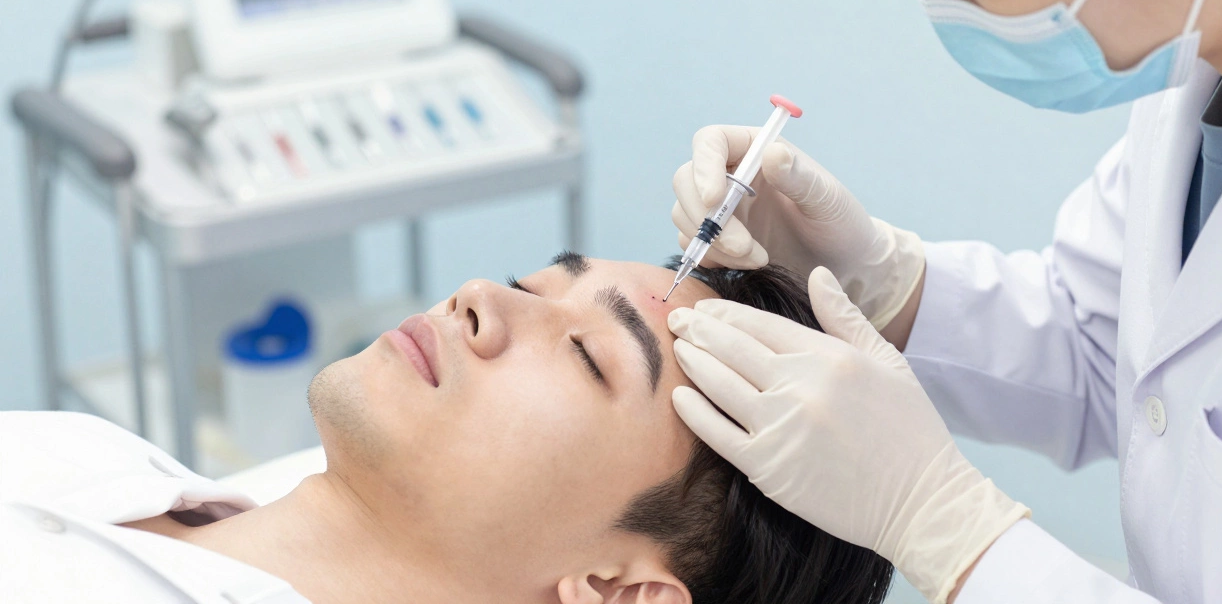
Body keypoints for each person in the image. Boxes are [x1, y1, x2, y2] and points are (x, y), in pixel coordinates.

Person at [668, 0, 1222, 603]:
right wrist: (884, 285)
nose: (936, 2)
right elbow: (1115, 352)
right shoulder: (1200, 81)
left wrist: (941, 523)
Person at [0, 254, 894, 604]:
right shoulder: (90, 454)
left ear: (623, 592)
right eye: (534, 281)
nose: (481, 299)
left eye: (587, 356)